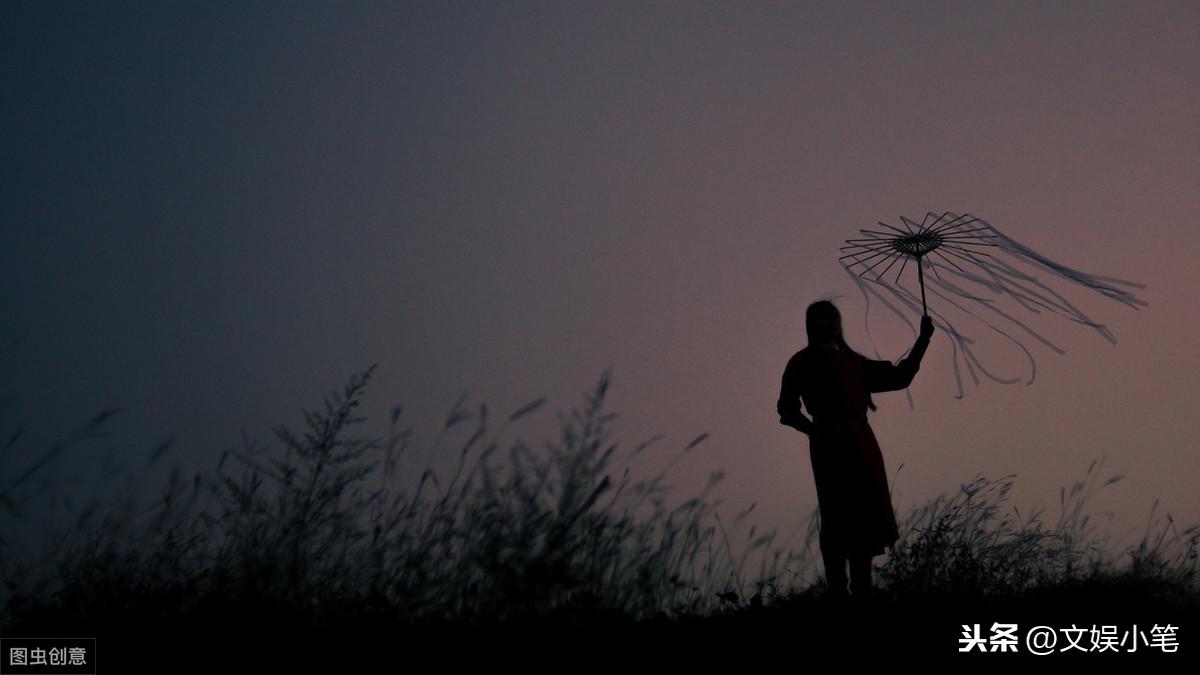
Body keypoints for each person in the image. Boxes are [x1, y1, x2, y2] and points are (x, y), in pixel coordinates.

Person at [777, 300, 934, 600]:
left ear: (837, 323)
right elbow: (787, 408)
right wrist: (814, 431)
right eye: (819, 318)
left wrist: (923, 340)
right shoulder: (802, 362)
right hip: (830, 442)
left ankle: (862, 588)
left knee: (865, 508)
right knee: (837, 509)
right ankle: (838, 589)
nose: (826, 323)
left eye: (830, 317)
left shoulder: (854, 363)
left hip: (861, 441)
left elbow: (900, 377)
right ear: (811, 324)